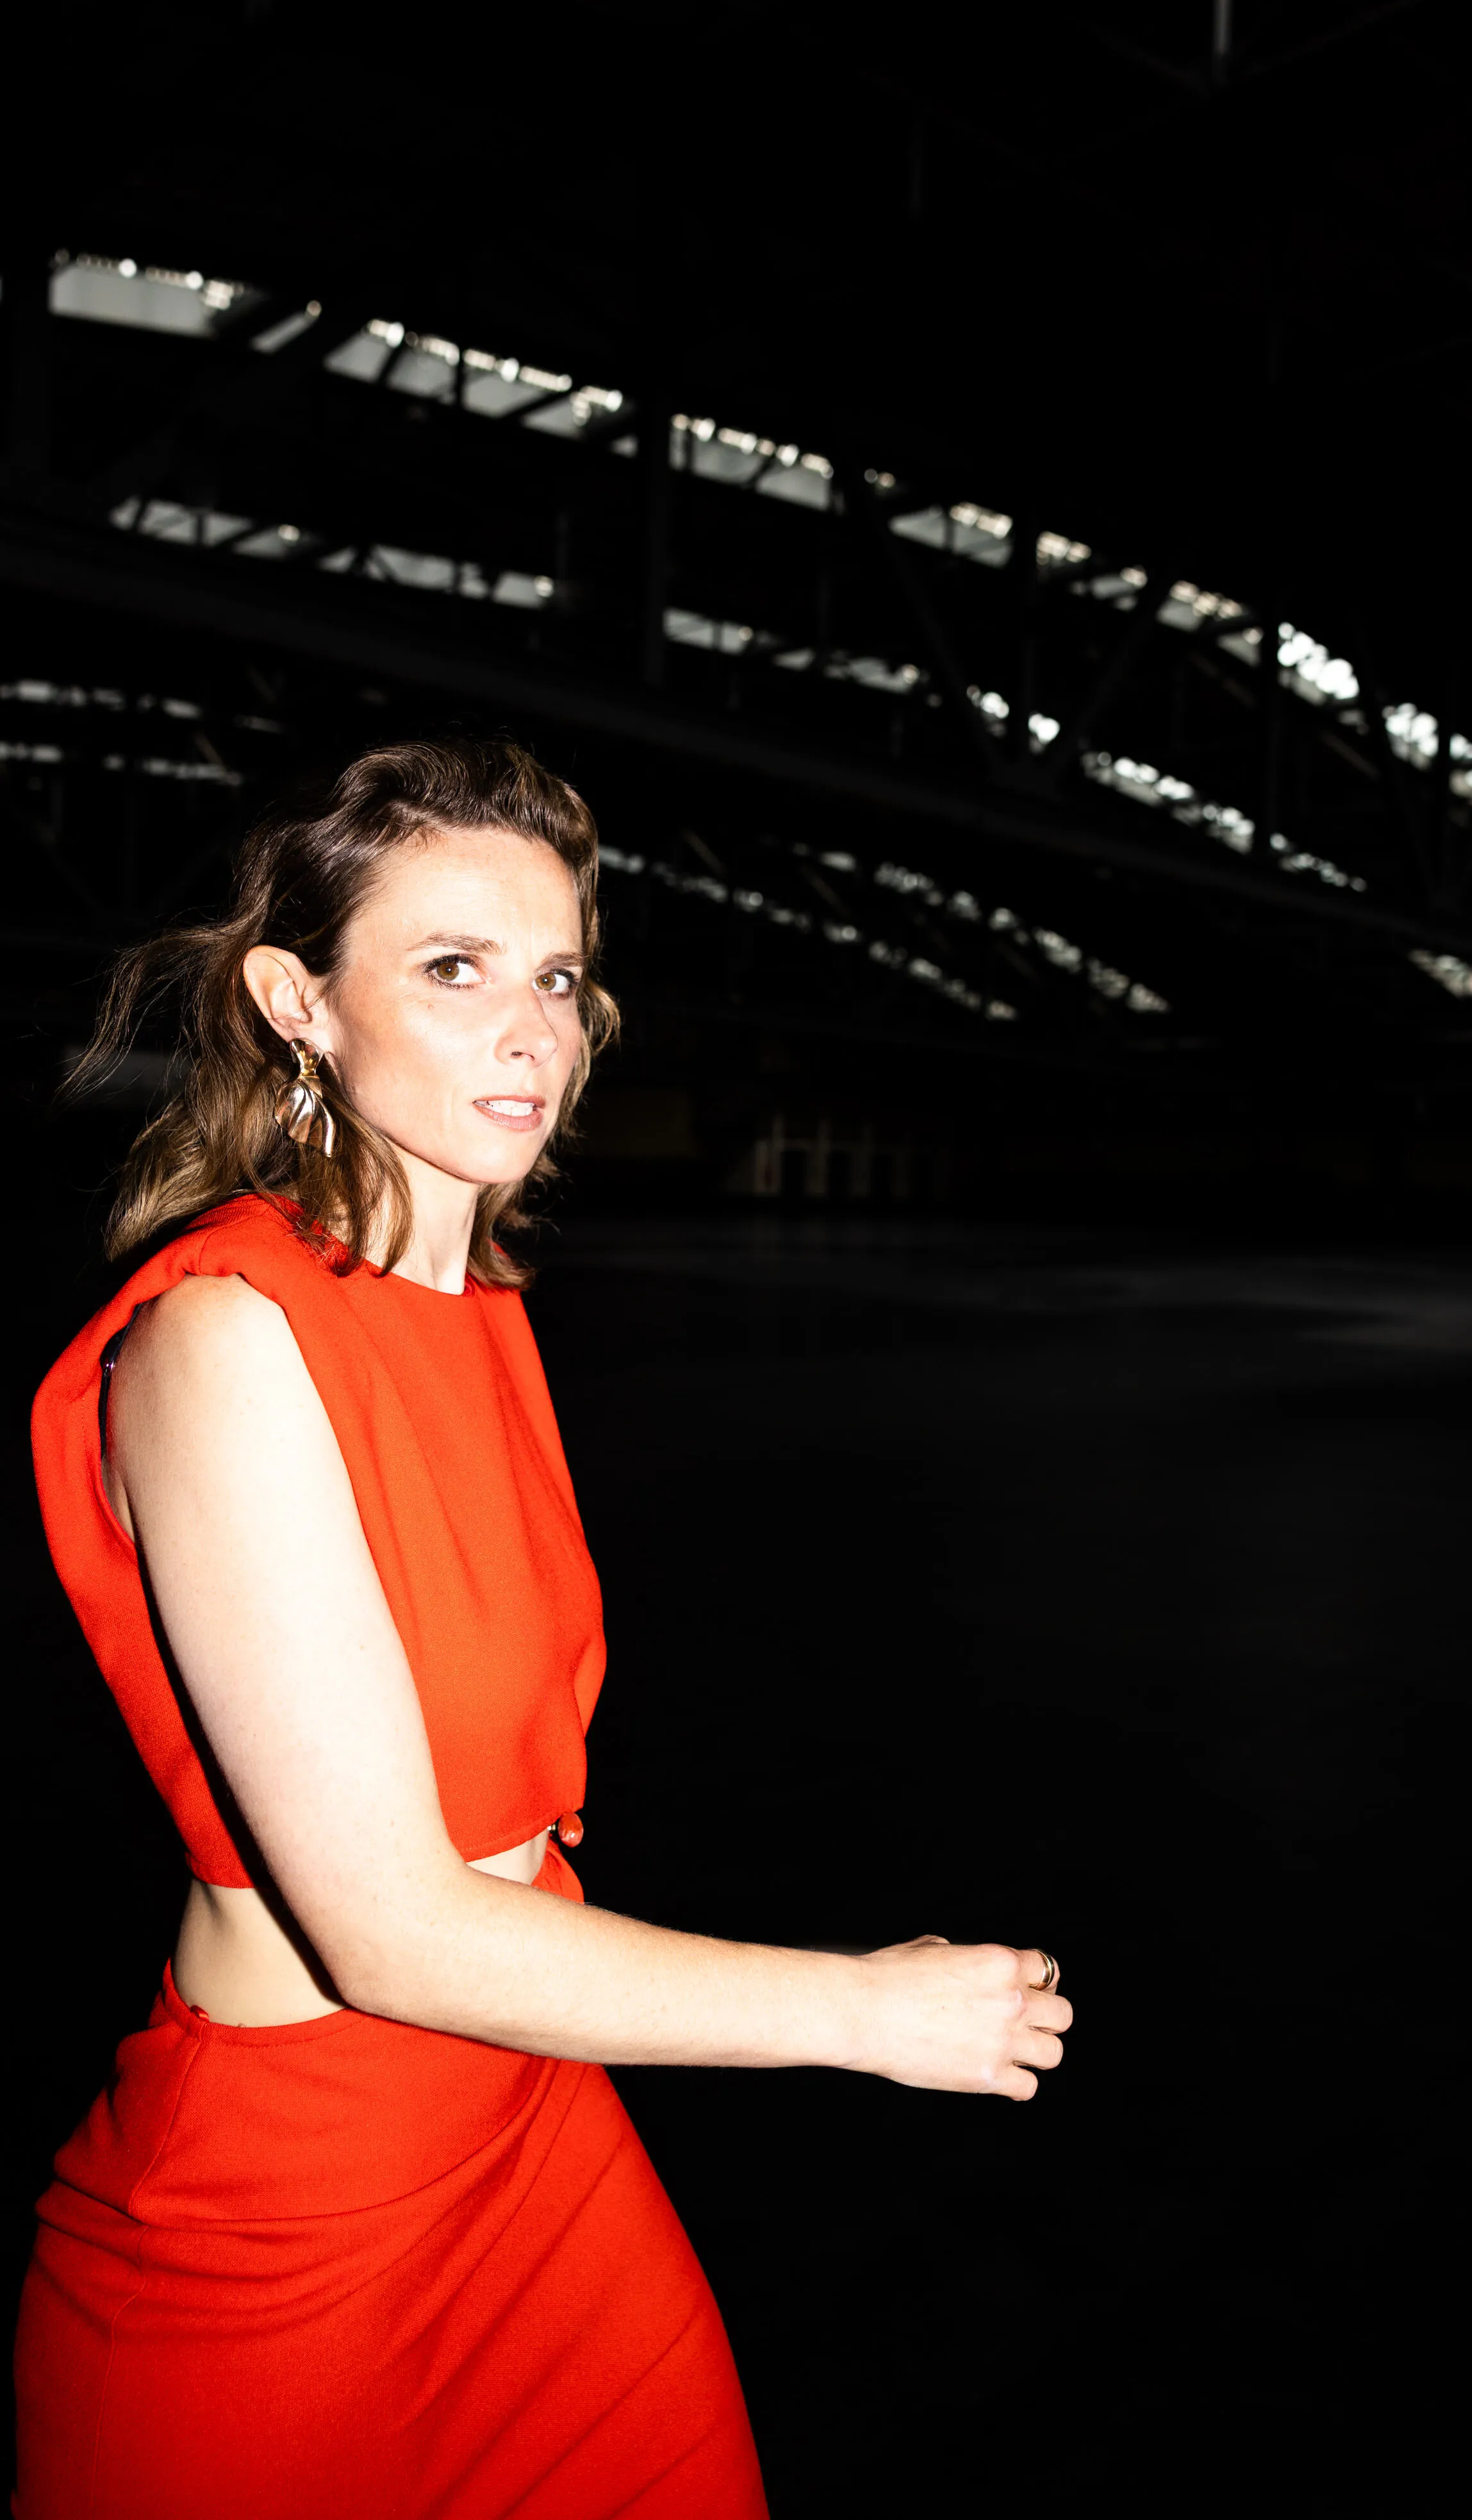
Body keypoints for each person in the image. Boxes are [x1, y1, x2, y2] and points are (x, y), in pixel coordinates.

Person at [14, 736, 1071, 2519]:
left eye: (559, 978)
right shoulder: (225, 1342)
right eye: (454, 968)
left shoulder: (474, 1298)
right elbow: (391, 1930)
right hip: (293, 2206)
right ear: (297, 1004)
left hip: (527, 2122)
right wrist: (863, 2010)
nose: (532, 1032)